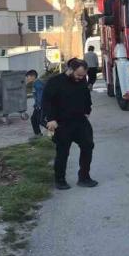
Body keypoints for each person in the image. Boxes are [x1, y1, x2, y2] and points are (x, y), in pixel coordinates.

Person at [43, 58, 98, 190]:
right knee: (63, 152)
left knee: (88, 145)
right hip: (61, 123)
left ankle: (84, 177)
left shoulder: (81, 80)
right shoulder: (55, 82)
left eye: (83, 75)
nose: (80, 78)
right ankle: (60, 180)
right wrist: (51, 119)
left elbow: (86, 96)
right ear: (70, 70)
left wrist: (87, 109)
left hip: (80, 120)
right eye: (78, 75)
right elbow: (46, 101)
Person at [25, 70, 44, 137]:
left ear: (33, 76)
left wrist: (39, 105)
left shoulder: (38, 84)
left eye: (28, 76)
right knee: (34, 119)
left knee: (41, 121)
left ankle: (56, 132)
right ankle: (38, 134)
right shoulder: (35, 83)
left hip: (41, 106)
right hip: (38, 106)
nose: (27, 78)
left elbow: (40, 96)